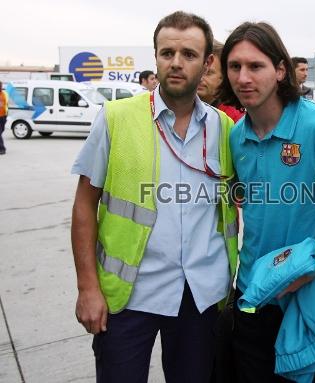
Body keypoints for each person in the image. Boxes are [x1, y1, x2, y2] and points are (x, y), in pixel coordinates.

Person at [70, 11, 238, 383]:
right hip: (130, 297)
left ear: (208, 62)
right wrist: (87, 288)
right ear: (156, 56)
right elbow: (84, 203)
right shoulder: (116, 118)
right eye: (167, 53)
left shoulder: (224, 128)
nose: (176, 63)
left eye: (189, 54)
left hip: (200, 296)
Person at [219, 22, 315, 383]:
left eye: (255, 66)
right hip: (252, 289)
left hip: (306, 292)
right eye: (235, 67)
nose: (243, 77)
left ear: (280, 70)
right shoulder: (237, 136)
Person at [197, 40, 245, 122]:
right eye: (197, 71)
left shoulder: (233, 118)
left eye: (208, 73)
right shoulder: (177, 108)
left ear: (224, 77)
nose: (200, 78)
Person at [0, 81, 8, 155]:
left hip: (3, 116)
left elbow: (7, 104)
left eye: (0, 86)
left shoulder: (5, 94)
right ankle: (2, 148)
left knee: (1, 131)